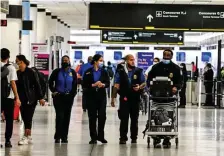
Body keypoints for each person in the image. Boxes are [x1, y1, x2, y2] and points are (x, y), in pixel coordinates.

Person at [147, 49, 181, 147]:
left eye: (168, 55)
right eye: (164, 55)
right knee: (154, 116)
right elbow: (149, 79)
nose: (166, 57)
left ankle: (167, 138)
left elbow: (180, 81)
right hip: (156, 98)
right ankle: (156, 138)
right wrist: (150, 86)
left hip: (170, 99)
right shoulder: (156, 67)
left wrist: (176, 87)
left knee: (169, 117)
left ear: (171, 56)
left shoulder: (176, 68)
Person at [112, 54, 145, 144]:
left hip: (135, 98)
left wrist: (139, 86)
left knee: (134, 119)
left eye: (134, 60)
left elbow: (144, 83)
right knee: (124, 118)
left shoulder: (138, 71)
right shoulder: (120, 71)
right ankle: (123, 138)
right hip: (124, 98)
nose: (133, 61)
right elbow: (116, 85)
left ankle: (134, 137)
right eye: (131, 60)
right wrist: (113, 98)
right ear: (126, 61)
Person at [16, 55, 45, 145]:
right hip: (21, 99)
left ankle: (26, 136)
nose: (16, 63)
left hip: (31, 99)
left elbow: (37, 85)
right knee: (25, 117)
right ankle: (29, 136)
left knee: (28, 117)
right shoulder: (18, 73)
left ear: (22, 61)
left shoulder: (31, 72)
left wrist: (40, 98)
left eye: (17, 61)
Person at [48, 55, 77, 144]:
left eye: (66, 60)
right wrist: (53, 91)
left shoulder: (72, 72)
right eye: (63, 60)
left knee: (67, 117)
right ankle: (58, 136)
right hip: (58, 97)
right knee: (60, 116)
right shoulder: (57, 71)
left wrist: (72, 94)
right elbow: (50, 82)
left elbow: (75, 84)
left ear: (69, 61)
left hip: (69, 97)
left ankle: (64, 136)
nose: (65, 62)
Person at [82, 54, 110, 144]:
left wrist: (103, 85)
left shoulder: (104, 71)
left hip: (101, 97)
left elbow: (108, 83)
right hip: (91, 97)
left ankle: (101, 136)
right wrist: (93, 85)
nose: (101, 62)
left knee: (102, 116)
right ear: (95, 61)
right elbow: (84, 85)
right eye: (100, 60)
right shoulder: (88, 72)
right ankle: (93, 137)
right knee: (92, 117)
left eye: (102, 60)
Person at [1, 48, 21, 148]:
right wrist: (17, 97)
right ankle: (7, 141)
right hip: (8, 97)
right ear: (8, 57)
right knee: (9, 119)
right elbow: (13, 83)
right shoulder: (11, 68)